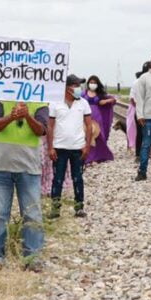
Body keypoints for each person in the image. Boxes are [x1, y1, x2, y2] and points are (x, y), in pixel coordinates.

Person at [0, 99, 50, 271]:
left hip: (28, 168)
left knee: (32, 215)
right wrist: (11, 117)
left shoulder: (40, 101)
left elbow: (41, 130)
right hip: (0, 166)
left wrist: (27, 116)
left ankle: (32, 257)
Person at [47, 75, 94, 218]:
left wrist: (87, 146)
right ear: (67, 88)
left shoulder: (83, 103)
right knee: (58, 178)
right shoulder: (55, 103)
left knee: (78, 178)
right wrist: (50, 147)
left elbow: (89, 125)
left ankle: (79, 207)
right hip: (59, 147)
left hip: (78, 148)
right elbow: (50, 126)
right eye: (76, 85)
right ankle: (55, 208)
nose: (79, 88)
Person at [83, 75, 116, 164]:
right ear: (88, 83)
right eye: (91, 82)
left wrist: (105, 101)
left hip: (97, 116)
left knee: (98, 135)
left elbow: (112, 99)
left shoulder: (100, 94)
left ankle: (99, 155)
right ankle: (87, 155)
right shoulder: (83, 93)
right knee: (86, 135)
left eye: (94, 83)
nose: (92, 84)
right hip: (85, 116)